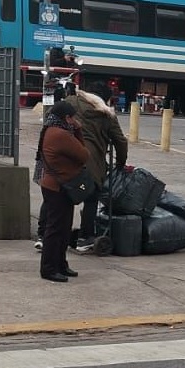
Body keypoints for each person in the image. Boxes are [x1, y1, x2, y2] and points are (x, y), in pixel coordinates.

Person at [66, 81, 129, 249]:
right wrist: (121, 163)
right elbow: (120, 142)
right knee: (92, 196)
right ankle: (85, 237)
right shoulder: (106, 114)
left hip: (64, 157)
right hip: (90, 161)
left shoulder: (70, 102)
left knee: (59, 195)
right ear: (106, 99)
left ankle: (44, 235)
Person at [34, 100, 90, 282]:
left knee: (63, 228)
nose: (74, 121)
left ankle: (60, 264)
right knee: (56, 229)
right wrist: (79, 130)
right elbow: (84, 155)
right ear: (66, 118)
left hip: (57, 185)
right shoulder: (60, 134)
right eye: (72, 118)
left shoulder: (51, 129)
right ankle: (49, 268)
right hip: (58, 186)